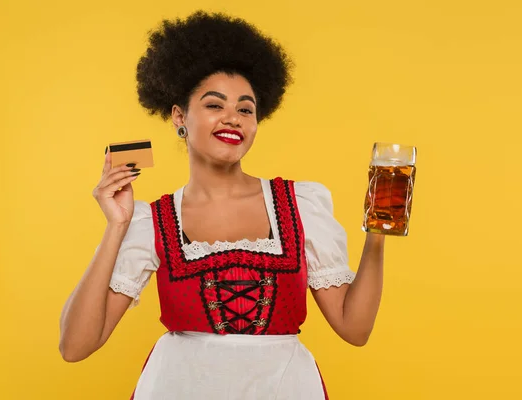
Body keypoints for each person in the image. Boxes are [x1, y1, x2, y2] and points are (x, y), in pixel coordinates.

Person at [59, 11, 385, 399]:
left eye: (246, 109)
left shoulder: (301, 205)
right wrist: (116, 225)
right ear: (180, 116)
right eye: (215, 105)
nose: (233, 118)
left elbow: (355, 329)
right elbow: (75, 347)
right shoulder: (151, 221)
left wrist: (378, 233)